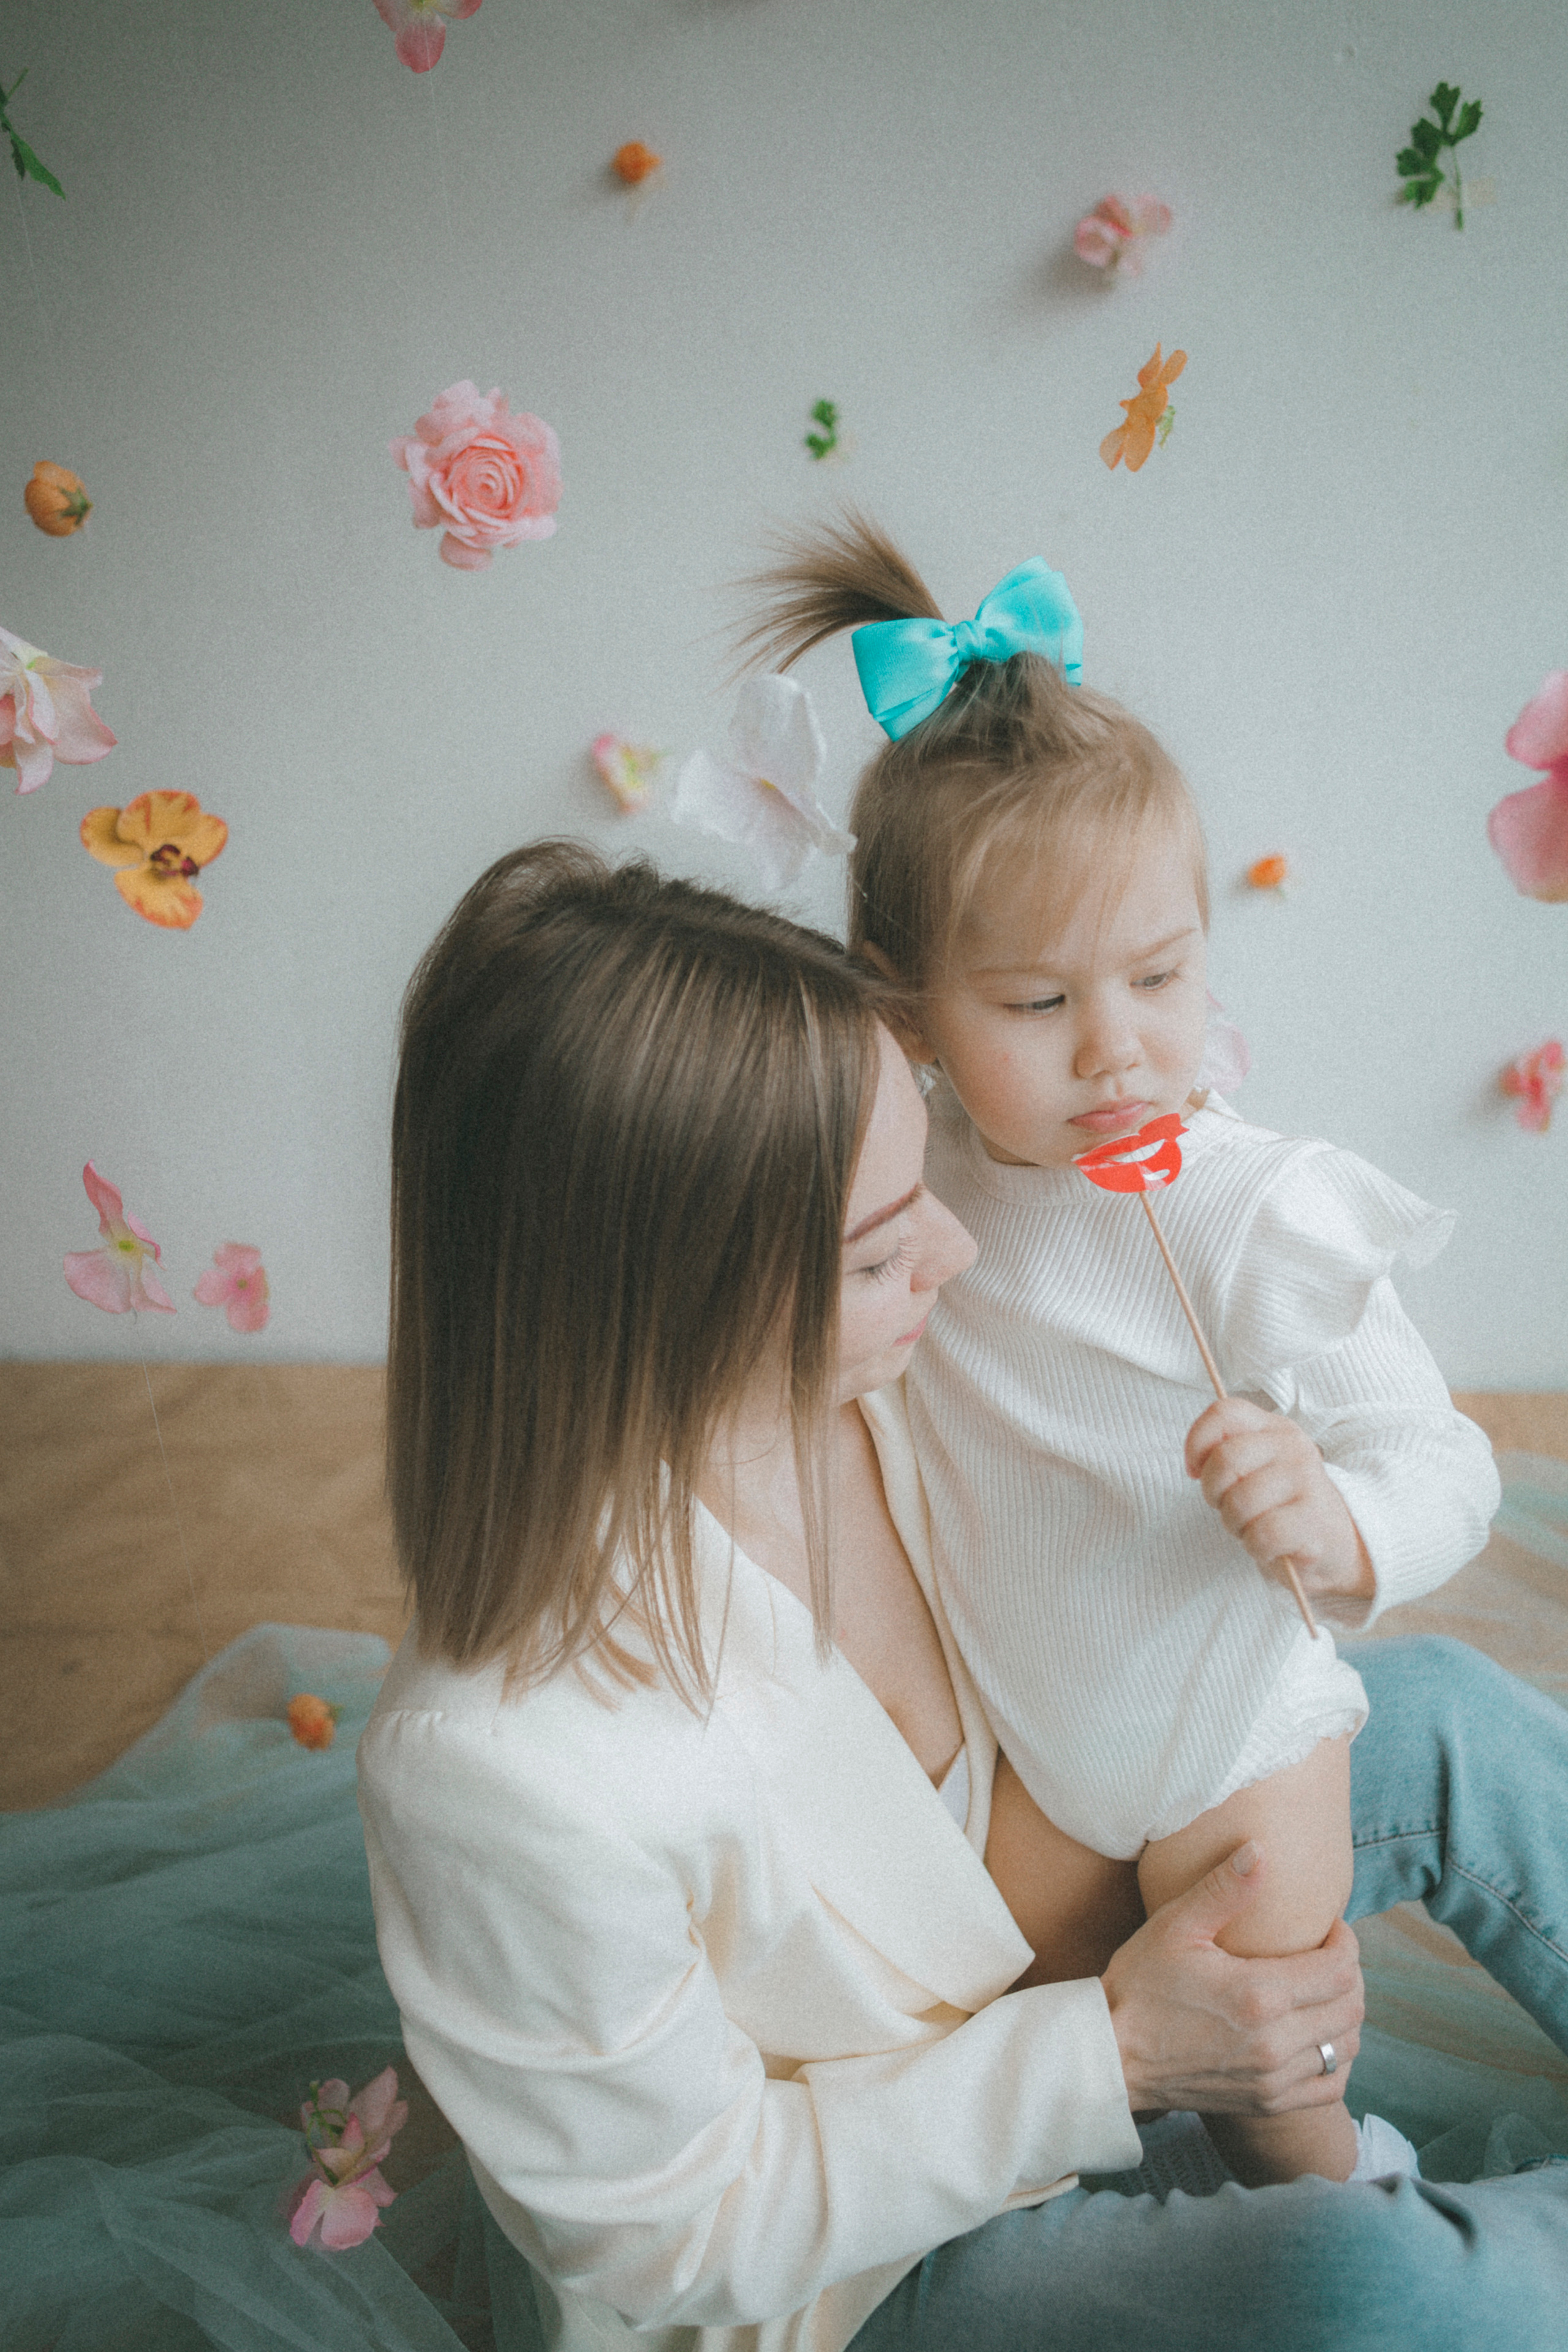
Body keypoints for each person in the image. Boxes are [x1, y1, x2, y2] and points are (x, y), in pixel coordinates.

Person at [358, 839, 1568, 2352]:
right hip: (866, 2268)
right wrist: (1120, 2052)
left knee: (1439, 1714)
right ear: (668, 1299)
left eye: (921, 1173)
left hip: (1039, 1929)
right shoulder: (499, 1761)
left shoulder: (890, 1376)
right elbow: (682, 2237)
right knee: (1358, 2284)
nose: (958, 1243)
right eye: (878, 1250)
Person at [735, 516, 1501, 2188]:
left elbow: (1450, 1460)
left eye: (1161, 975)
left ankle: (1341, 2211)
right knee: (982, 2043)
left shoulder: (1247, 1209)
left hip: (1236, 1740)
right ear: (907, 1004)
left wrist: (1341, 1522)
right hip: (1044, 1761)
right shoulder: (908, 1186)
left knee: (1271, 2090)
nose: (1119, 1053)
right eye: (1036, 1005)